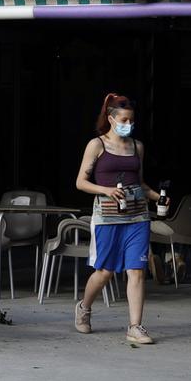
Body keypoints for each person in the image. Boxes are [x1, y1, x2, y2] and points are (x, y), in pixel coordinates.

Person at [72, 92, 166, 346]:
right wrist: (105, 190)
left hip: (138, 217)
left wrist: (158, 197)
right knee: (105, 272)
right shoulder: (97, 145)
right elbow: (80, 182)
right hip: (108, 217)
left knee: (136, 270)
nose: (129, 124)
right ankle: (84, 307)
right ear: (111, 119)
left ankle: (135, 327)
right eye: (124, 119)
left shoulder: (137, 147)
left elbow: (141, 183)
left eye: (132, 120)